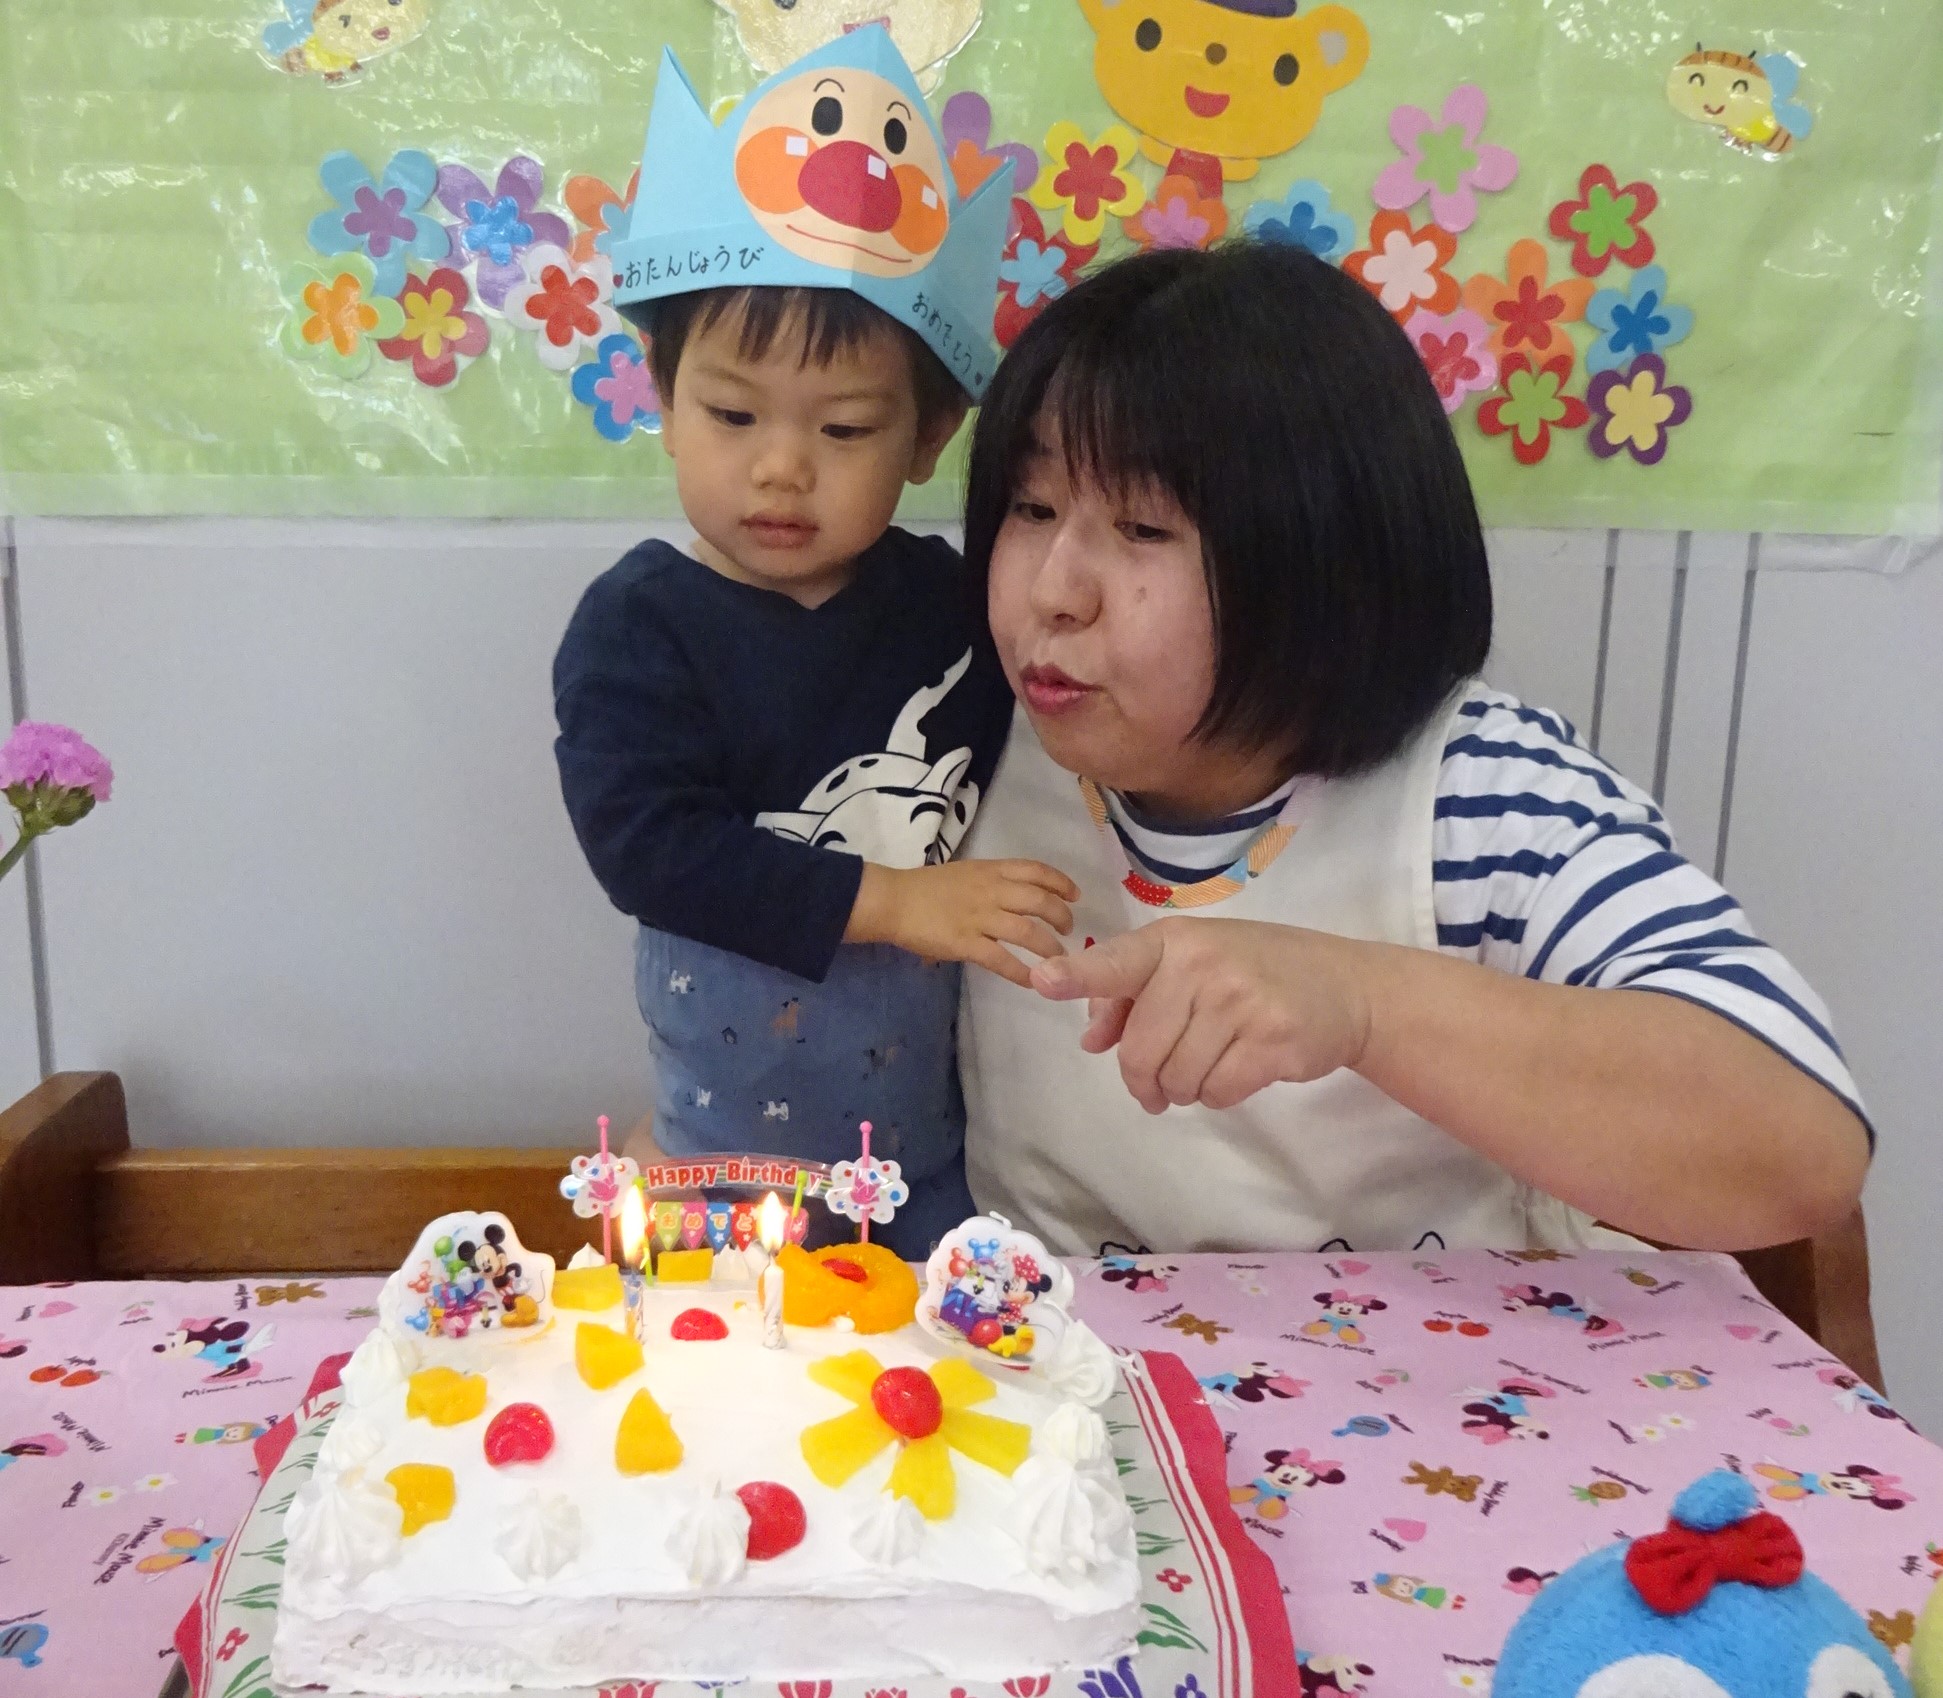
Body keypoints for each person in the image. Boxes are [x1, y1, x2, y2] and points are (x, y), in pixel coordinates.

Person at [956, 242, 1870, 1258]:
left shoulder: (1477, 799)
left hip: (1417, 1359)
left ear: (1321, 556)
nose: (1054, 591)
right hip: (1024, 1349)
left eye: (1140, 527)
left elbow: (1800, 1152)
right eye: (1032, 508)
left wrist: (1359, 1005)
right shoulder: (955, 746)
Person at [551, 29, 1074, 1256]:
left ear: (928, 439)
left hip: (926, 1157)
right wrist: (895, 900)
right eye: (732, 414)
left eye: (842, 429)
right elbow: (649, 851)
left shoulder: (957, 604)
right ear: (663, 401)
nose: (780, 467)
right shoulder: (638, 625)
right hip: (716, 1154)